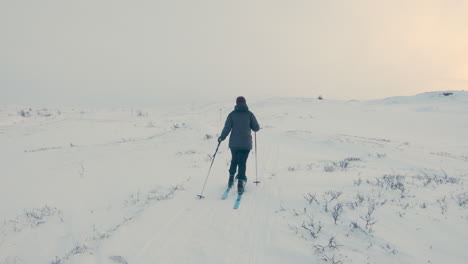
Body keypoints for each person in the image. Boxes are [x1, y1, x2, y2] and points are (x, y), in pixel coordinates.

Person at [218, 96, 260, 194]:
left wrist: (221, 138)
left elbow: (227, 128)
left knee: (234, 160)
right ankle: (240, 183)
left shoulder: (232, 114)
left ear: (236, 103)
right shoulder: (250, 114)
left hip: (234, 144)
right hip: (246, 144)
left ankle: (231, 179)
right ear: (245, 103)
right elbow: (256, 128)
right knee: (242, 163)